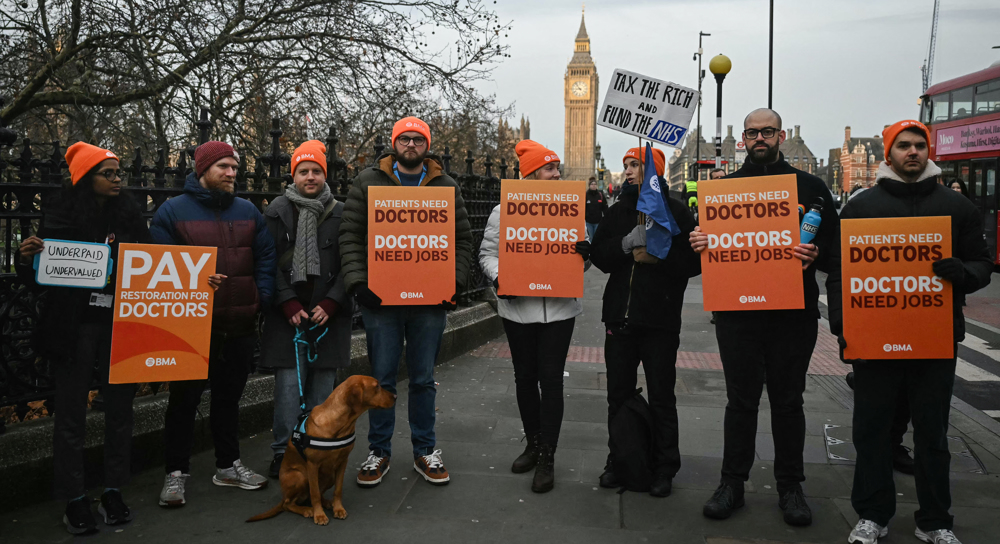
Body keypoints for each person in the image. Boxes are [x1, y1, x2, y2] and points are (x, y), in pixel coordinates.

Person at [833, 120, 993, 544]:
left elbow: (982, 264)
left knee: (933, 432)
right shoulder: (860, 207)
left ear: (928, 151)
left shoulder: (957, 208)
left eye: (919, 145)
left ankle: (935, 520)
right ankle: (872, 513)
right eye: (903, 145)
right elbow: (839, 273)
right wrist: (842, 326)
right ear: (890, 153)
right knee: (872, 429)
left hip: (934, 338)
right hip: (873, 336)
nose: (913, 152)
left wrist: (963, 274)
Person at [689, 108, 841, 526]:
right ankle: (731, 483)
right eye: (753, 132)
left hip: (792, 314)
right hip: (738, 313)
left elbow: (835, 250)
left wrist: (816, 254)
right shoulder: (723, 191)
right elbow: (703, 255)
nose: (761, 138)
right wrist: (698, 242)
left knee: (788, 402)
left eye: (768, 132)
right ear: (743, 138)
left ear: (779, 135)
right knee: (740, 401)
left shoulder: (810, 187)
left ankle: (791, 487)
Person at [16, 143, 149, 534]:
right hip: (72, 327)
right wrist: (28, 259)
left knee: (119, 411)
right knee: (71, 414)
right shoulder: (60, 214)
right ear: (84, 178)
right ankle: (74, 497)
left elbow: (154, 263)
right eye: (108, 173)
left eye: (119, 172)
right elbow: (41, 278)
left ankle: (113, 489)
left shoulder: (129, 213)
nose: (117, 179)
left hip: (119, 323)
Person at [339, 117, 473, 487]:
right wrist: (358, 284)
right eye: (404, 139)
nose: (411, 145)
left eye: (418, 139)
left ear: (426, 145)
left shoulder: (446, 185)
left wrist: (455, 282)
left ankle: (424, 450)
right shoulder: (367, 181)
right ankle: (378, 451)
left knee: (423, 379)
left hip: (429, 301)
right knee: (381, 380)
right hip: (380, 300)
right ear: (394, 144)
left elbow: (462, 240)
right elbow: (349, 234)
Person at [151, 140, 276, 507]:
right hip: (192, 327)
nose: (232, 173)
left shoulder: (248, 211)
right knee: (183, 402)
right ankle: (175, 474)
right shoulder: (172, 212)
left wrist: (260, 299)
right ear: (203, 169)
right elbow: (159, 267)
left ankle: (227, 466)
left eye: (235, 167)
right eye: (224, 167)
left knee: (228, 400)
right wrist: (194, 283)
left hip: (238, 325)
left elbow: (265, 258)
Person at [478, 140, 591, 493]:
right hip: (519, 309)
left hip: (559, 309)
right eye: (549, 168)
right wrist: (500, 279)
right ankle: (533, 442)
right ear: (530, 173)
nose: (557, 174)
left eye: (557, 168)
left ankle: (548, 456)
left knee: (552, 379)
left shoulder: (571, 208)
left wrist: (585, 255)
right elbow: (487, 254)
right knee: (525, 378)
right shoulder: (503, 210)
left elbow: (580, 260)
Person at [591, 145, 701, 497]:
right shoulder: (618, 211)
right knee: (617, 396)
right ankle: (619, 460)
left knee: (662, 396)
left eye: (636, 164)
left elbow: (692, 264)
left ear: (653, 170)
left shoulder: (678, 212)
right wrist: (626, 244)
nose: (628, 171)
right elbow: (601, 257)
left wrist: (659, 253)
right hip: (620, 319)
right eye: (626, 165)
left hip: (660, 320)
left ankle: (664, 467)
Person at [260, 140, 353, 478]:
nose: (310, 177)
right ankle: (283, 452)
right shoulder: (276, 211)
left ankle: (317, 451)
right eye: (304, 171)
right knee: (287, 390)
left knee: (322, 394)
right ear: (293, 175)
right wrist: (285, 301)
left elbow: (352, 263)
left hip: (328, 317)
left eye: (316, 171)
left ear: (324, 175)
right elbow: (266, 261)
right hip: (289, 318)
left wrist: (333, 301)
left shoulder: (342, 212)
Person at [585, 177, 607, 241]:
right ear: (589, 185)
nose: (594, 186)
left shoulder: (600, 195)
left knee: (597, 237)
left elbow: (604, 207)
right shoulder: (586, 195)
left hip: (598, 220)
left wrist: (606, 217)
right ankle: (591, 250)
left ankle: (596, 250)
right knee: (591, 237)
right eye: (592, 184)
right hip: (588, 221)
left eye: (595, 184)